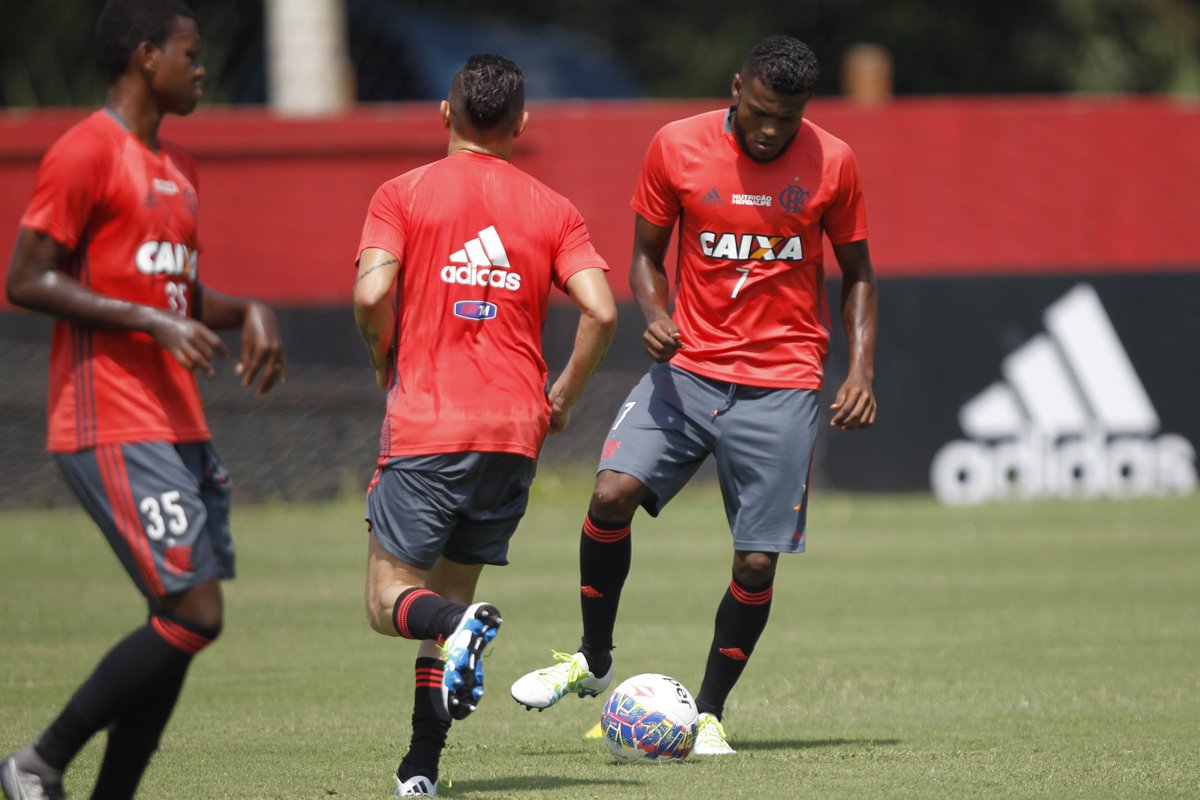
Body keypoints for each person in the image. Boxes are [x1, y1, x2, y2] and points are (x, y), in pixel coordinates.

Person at [510, 34, 878, 756]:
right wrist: (656, 317)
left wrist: (860, 371)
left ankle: (706, 712)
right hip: (687, 370)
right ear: (737, 88)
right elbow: (645, 259)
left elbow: (859, 273)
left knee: (756, 563)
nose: (773, 130)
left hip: (783, 380)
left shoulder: (833, 161)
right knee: (610, 493)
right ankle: (593, 657)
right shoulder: (675, 148)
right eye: (764, 112)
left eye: (790, 117)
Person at [0, 1, 286, 798]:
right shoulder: (85, 151)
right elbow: (24, 278)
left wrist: (247, 310)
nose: (201, 68)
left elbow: (175, 292)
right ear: (142, 56)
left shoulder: (181, 168)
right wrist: (153, 321)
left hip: (177, 421)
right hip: (109, 419)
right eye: (189, 53)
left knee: (178, 622)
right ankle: (38, 762)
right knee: (196, 611)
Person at [352, 53, 616, 796]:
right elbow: (601, 311)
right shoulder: (553, 207)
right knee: (448, 604)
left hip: (431, 428)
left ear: (445, 112)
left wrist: (382, 358)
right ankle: (421, 770)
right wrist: (559, 396)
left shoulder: (402, 194)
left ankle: (458, 639)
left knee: (388, 604)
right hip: (512, 439)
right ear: (520, 124)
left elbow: (373, 294)